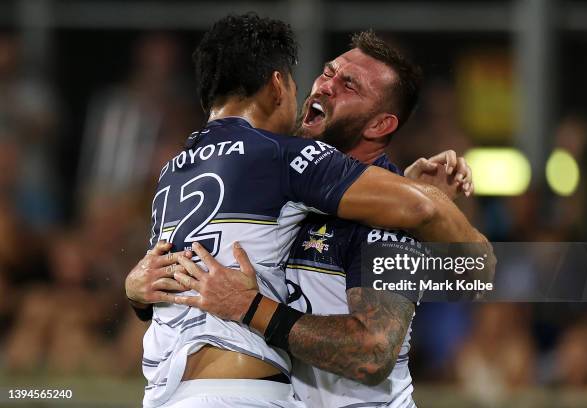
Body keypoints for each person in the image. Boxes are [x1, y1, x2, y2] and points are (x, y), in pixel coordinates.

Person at [127, 13, 491, 408]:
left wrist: (252, 308)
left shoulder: (387, 222)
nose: (324, 86)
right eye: (328, 72)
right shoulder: (284, 183)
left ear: (380, 124)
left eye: (348, 84)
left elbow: (372, 353)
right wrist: (140, 290)